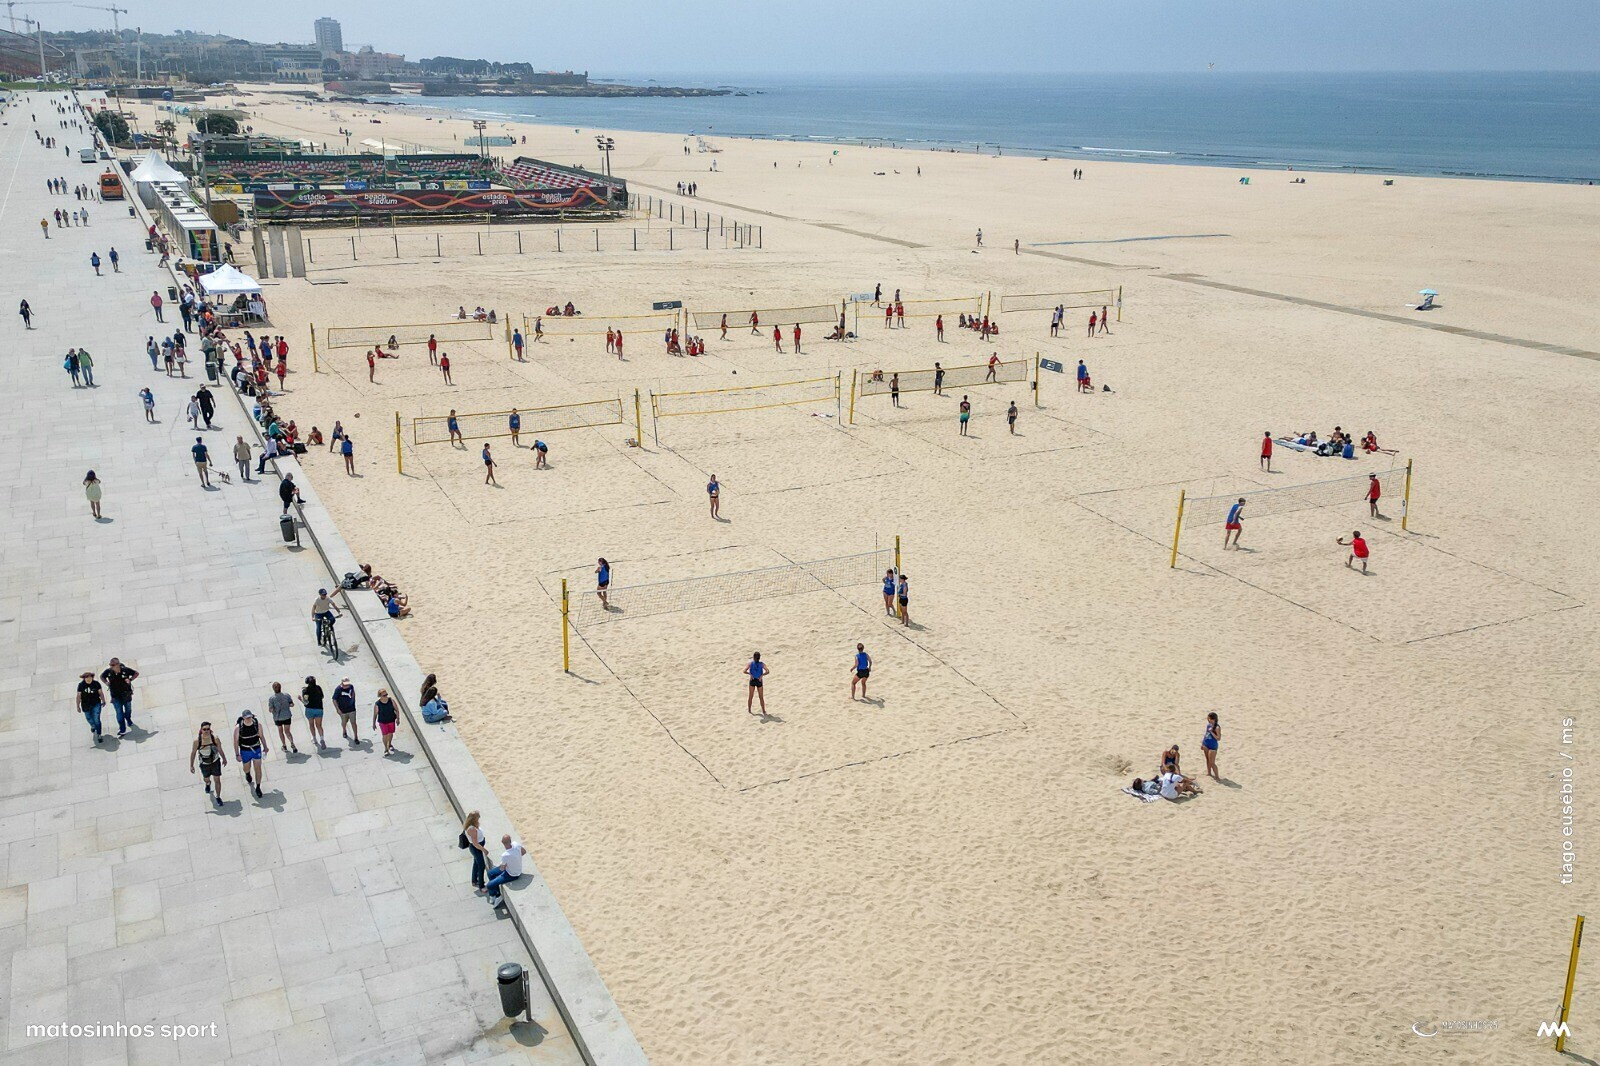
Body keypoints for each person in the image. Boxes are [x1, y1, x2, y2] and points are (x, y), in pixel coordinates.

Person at [190, 722, 228, 807]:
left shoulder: (215, 738)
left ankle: (218, 797)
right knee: (206, 779)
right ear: (201, 730)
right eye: (204, 729)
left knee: (217, 780)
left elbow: (220, 749)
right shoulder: (197, 741)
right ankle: (208, 784)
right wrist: (191, 765)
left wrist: (224, 759)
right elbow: (193, 753)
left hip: (215, 762)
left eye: (208, 729)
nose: (206, 731)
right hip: (204, 764)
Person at [483, 835, 527, 906]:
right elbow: (524, 852)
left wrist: (507, 863)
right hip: (516, 869)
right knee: (490, 873)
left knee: (489, 885)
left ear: (502, 842)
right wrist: (515, 859)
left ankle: (497, 896)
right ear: (510, 840)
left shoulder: (505, 855)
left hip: (511, 874)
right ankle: (495, 895)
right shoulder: (516, 844)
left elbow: (502, 868)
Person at [235, 708, 268, 799]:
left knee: (258, 768)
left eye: (250, 717)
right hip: (245, 750)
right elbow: (235, 741)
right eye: (246, 718)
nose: (248, 719)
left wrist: (265, 747)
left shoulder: (257, 725)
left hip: (256, 748)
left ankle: (258, 787)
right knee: (246, 767)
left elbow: (261, 736)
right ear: (243, 718)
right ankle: (247, 773)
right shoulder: (238, 728)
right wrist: (237, 754)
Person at [267, 682, 298, 755]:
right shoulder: (286, 695)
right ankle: (292, 743)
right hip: (287, 716)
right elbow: (291, 704)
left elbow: (270, 709)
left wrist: (273, 709)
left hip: (278, 717)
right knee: (287, 731)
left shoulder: (272, 698)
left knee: (280, 732)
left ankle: (284, 745)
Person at [76, 670, 106, 744]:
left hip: (96, 703)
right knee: (88, 718)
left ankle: (99, 734)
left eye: (90, 678)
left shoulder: (96, 684)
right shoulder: (81, 685)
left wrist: (103, 700)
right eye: (87, 678)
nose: (89, 680)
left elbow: (100, 693)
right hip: (86, 705)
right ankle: (93, 725)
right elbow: (78, 696)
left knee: (97, 719)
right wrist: (78, 706)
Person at [463, 811, 488, 893]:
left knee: (476, 863)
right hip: (476, 848)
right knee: (481, 866)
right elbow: (475, 843)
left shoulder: (472, 826)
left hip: (476, 848)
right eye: (477, 817)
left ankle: (474, 880)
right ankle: (481, 886)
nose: (479, 818)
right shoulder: (472, 829)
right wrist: (483, 850)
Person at [301, 676, 327, 750]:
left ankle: (314, 738)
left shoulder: (305, 691)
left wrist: (300, 699)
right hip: (319, 709)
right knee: (319, 725)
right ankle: (322, 738)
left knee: (311, 725)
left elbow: (306, 702)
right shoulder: (318, 688)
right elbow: (322, 696)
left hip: (310, 710)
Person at [373, 688, 401, 756]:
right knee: (385, 735)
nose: (386, 696)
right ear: (380, 696)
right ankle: (386, 748)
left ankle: (389, 744)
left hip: (391, 720)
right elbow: (375, 714)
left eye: (386, 694)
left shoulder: (391, 700)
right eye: (384, 695)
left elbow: (397, 710)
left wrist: (397, 718)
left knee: (391, 733)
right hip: (383, 722)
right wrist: (373, 724)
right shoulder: (378, 704)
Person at [334, 678, 360, 745]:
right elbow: (334, 700)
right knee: (344, 722)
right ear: (342, 683)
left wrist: (353, 700)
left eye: (347, 684)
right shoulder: (338, 689)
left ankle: (356, 737)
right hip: (343, 710)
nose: (347, 686)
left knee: (353, 723)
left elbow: (353, 693)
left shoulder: (351, 686)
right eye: (345, 685)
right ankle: (344, 731)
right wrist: (338, 709)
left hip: (351, 709)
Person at [745, 652, 769, 716]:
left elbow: (744, 671)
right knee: (761, 697)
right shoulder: (762, 664)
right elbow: (767, 671)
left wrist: (750, 674)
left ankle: (749, 710)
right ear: (759, 658)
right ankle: (763, 711)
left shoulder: (750, 664)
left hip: (752, 680)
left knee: (750, 696)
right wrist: (762, 675)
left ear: (753, 657)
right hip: (759, 681)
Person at [1202, 712, 1221, 782]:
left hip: (1213, 746)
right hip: (1206, 743)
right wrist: (1202, 743)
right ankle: (1209, 773)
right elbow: (1206, 734)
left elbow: (1218, 738)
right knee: (1207, 759)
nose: (1207, 719)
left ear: (1212, 719)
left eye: (1208, 718)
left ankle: (1217, 776)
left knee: (1212, 762)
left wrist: (1212, 732)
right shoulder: (1208, 725)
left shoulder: (1217, 727)